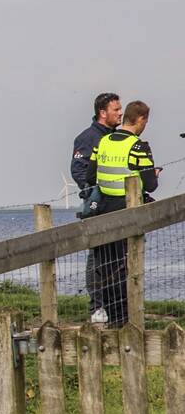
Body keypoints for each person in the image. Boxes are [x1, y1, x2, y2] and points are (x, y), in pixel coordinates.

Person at [85, 100, 159, 328]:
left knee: (106, 265)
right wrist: (153, 175)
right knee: (125, 265)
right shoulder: (138, 146)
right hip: (127, 208)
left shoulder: (103, 141)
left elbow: (90, 176)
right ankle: (125, 318)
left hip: (103, 209)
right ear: (141, 120)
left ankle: (111, 314)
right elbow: (151, 184)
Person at [70, 92, 122, 313]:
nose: (120, 113)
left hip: (117, 204)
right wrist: (93, 191)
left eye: (120, 109)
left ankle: (116, 305)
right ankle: (97, 307)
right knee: (97, 255)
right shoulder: (88, 137)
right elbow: (78, 170)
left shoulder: (117, 137)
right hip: (98, 205)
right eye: (116, 109)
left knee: (117, 256)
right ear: (102, 112)